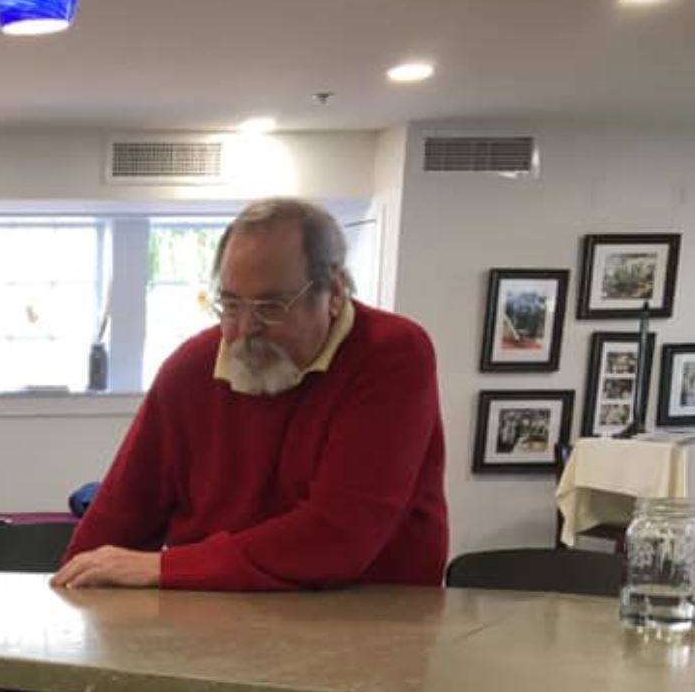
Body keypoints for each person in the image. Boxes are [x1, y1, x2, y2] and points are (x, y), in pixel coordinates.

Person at [52, 198, 448, 592]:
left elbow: (338, 536)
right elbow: (114, 523)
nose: (245, 328)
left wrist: (167, 567)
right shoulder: (192, 367)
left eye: (271, 306)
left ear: (334, 294)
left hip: (371, 618)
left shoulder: (392, 353)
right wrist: (86, 575)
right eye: (231, 304)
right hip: (220, 614)